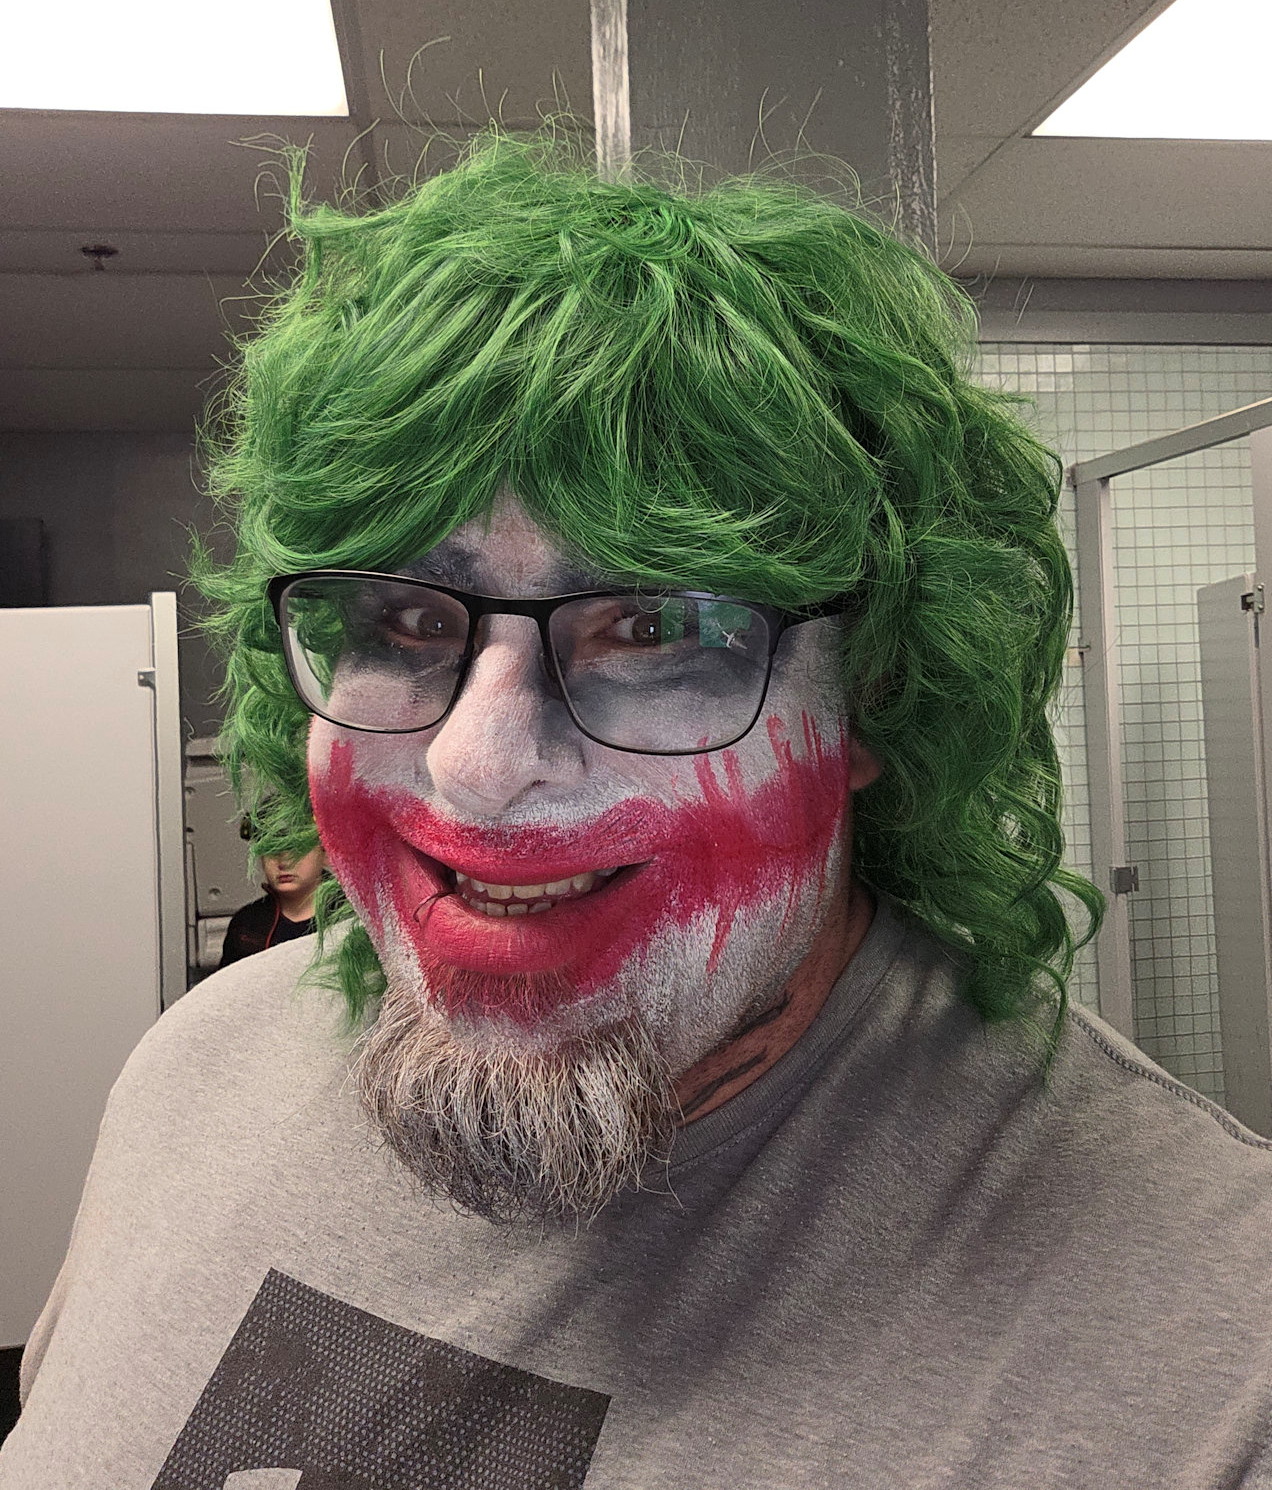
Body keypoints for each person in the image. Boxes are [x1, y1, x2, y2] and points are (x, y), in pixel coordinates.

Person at [4, 133, 1271, 1490]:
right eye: (404, 619)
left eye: (654, 625)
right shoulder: (192, 1076)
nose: (477, 764)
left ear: (877, 692)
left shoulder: (1212, 1350)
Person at [217, 841, 326, 968]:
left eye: (298, 850)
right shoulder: (246, 924)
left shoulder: (345, 917)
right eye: (271, 849)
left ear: (325, 853)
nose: (284, 863)